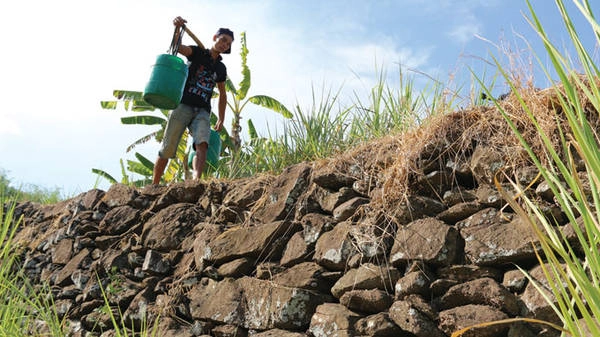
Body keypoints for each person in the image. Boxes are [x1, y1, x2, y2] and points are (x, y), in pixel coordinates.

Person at [152, 16, 234, 184]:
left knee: (202, 143)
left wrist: (221, 117)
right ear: (215, 38)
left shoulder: (220, 67)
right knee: (168, 146)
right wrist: (177, 29)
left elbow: (223, 94)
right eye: (223, 40)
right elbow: (176, 47)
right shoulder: (198, 53)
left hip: (203, 110)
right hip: (183, 105)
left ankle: (196, 181)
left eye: (228, 44)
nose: (225, 44)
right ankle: (154, 185)